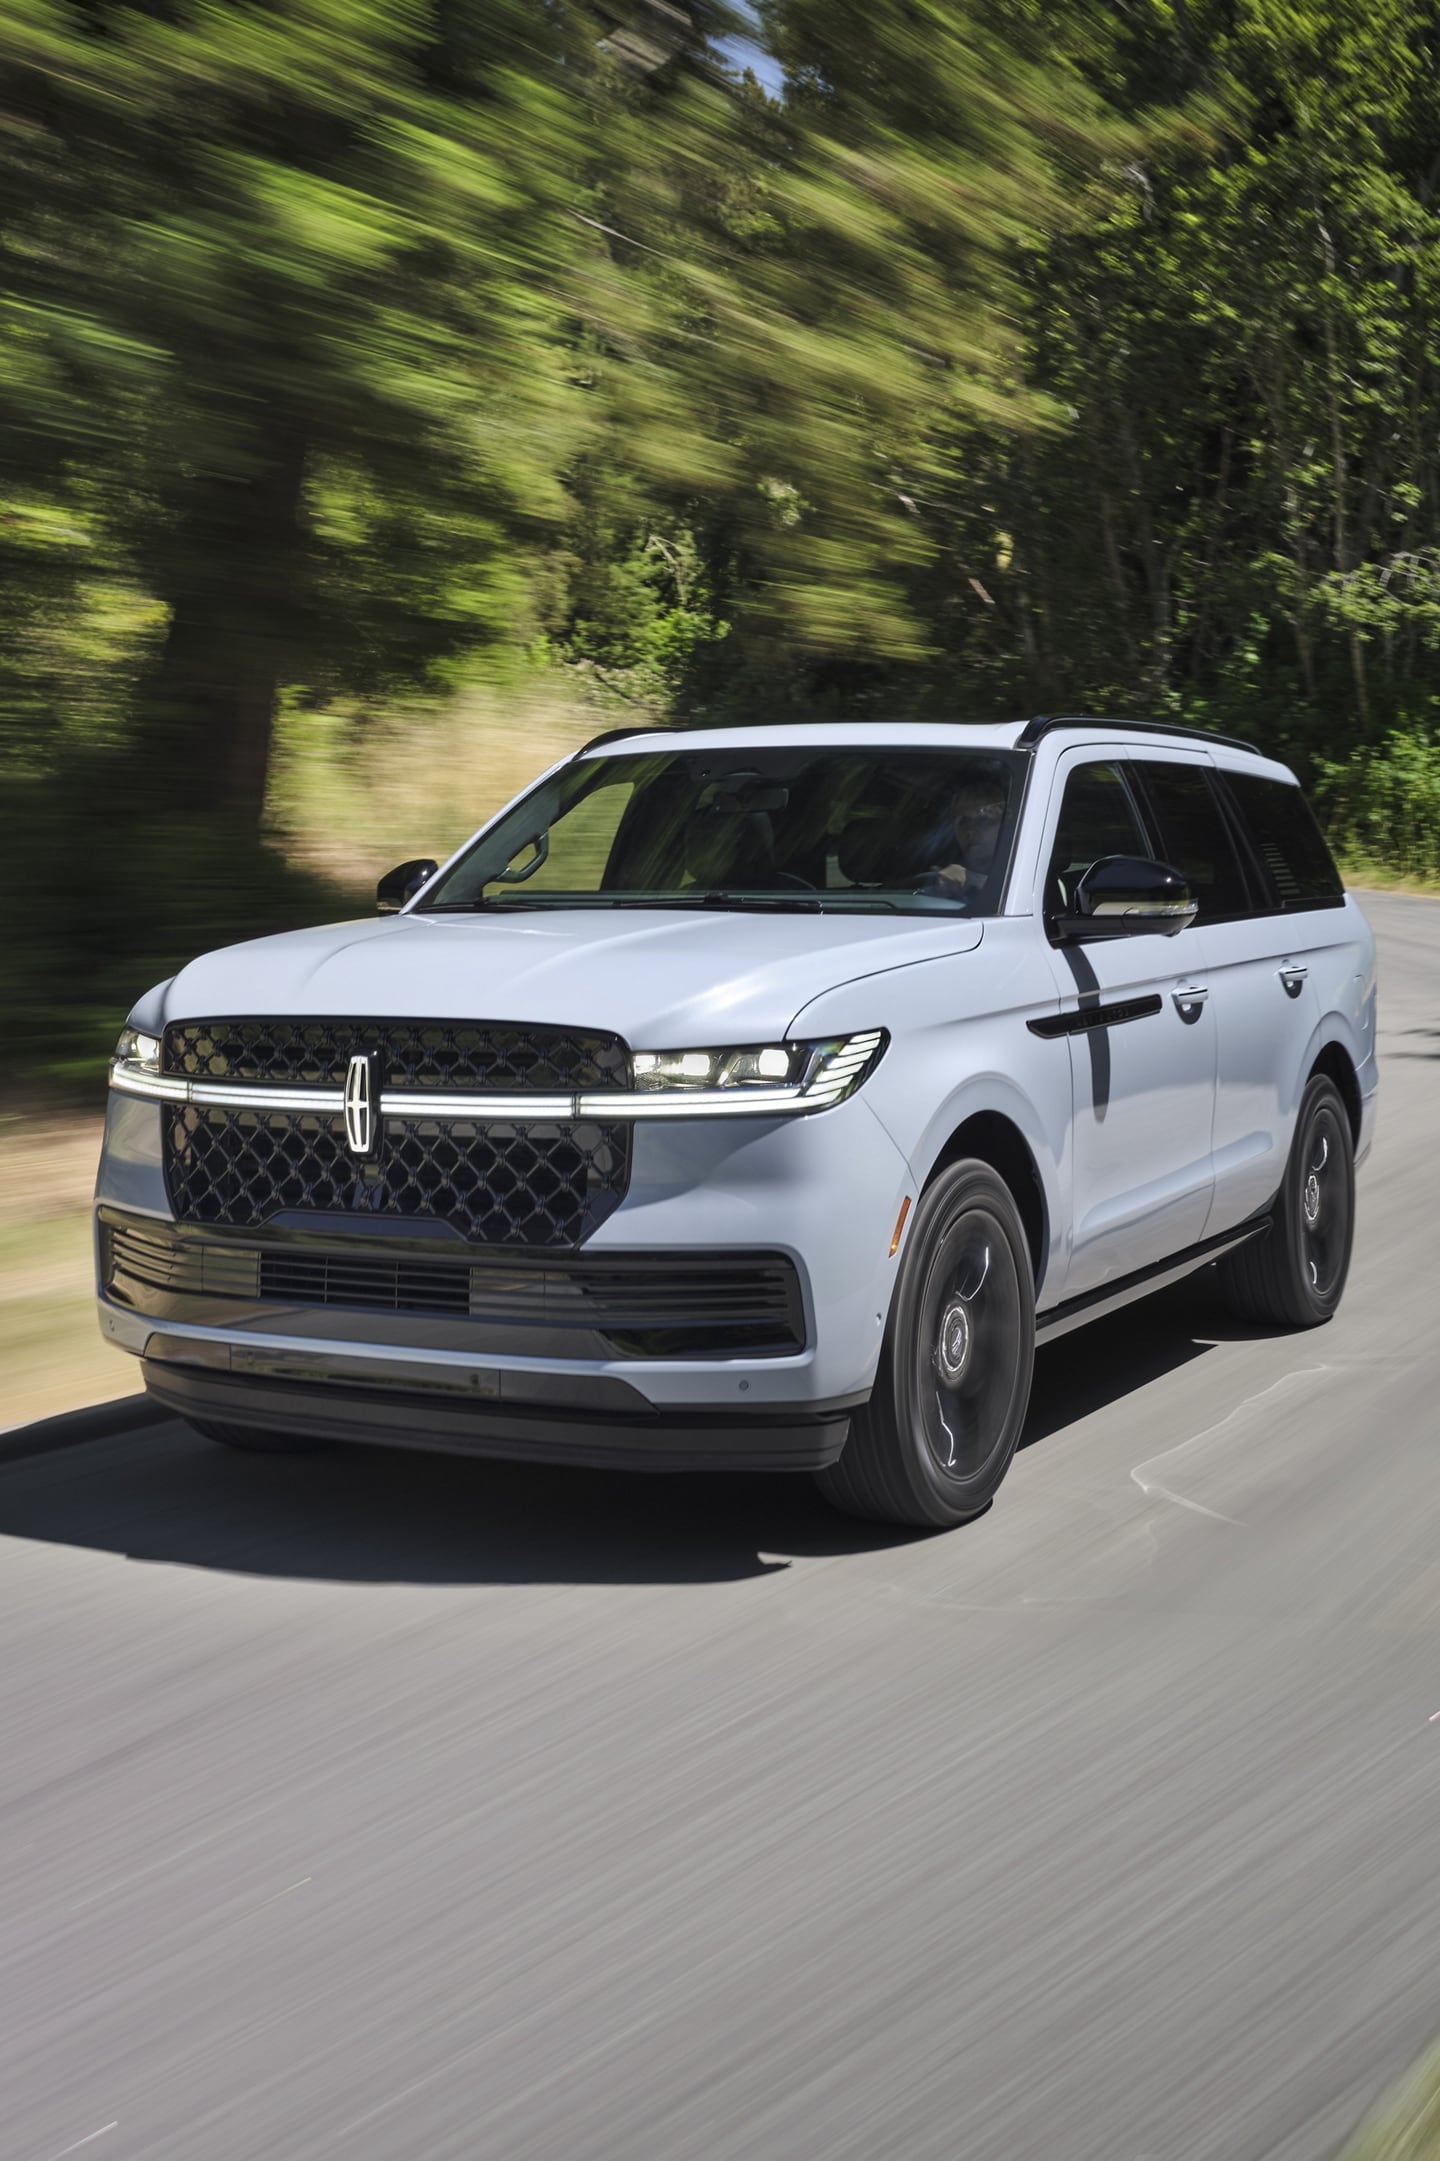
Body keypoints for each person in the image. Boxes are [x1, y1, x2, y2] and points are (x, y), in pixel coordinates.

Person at [916, 776, 1008, 899]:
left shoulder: (1022, 873)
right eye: (963, 821)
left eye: (983, 821)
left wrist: (972, 882)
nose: (970, 830)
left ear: (1005, 826)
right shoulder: (937, 870)